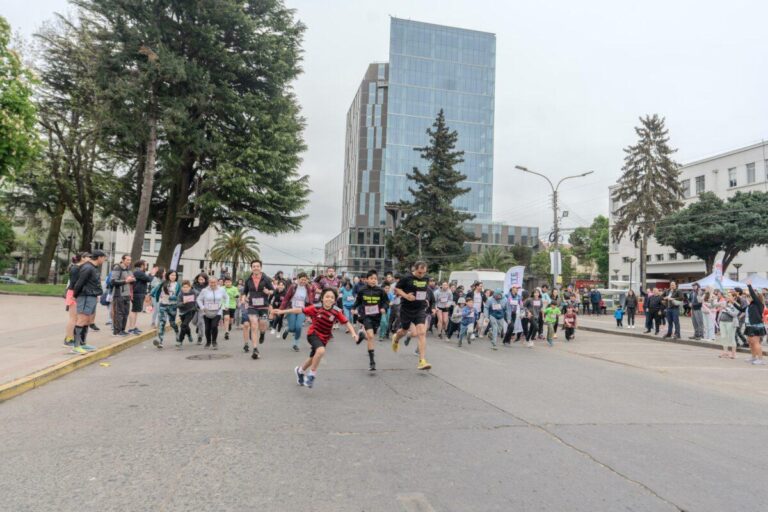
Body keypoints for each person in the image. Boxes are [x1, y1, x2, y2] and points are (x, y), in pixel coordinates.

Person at [272, 288, 357, 389]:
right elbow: (299, 310)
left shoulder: (337, 311)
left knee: (313, 358)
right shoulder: (316, 307)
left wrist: (354, 334)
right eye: (327, 297)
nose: (329, 299)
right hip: (313, 334)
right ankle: (311, 375)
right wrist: (282, 311)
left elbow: (347, 322)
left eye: (332, 298)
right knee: (321, 351)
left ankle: (300, 371)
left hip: (324, 337)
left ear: (334, 300)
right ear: (322, 298)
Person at [391, 261, 433, 370]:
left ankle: (422, 361)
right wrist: (406, 296)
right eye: (419, 272)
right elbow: (397, 289)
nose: (421, 275)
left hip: (420, 309)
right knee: (404, 331)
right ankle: (396, 338)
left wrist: (426, 299)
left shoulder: (425, 279)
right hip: (406, 309)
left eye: (423, 273)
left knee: (422, 333)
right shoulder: (407, 278)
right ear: (414, 269)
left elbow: (425, 290)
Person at [71, 250, 107, 354]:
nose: (104, 260)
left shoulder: (93, 267)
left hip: (91, 295)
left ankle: (83, 344)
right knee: (81, 319)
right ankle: (76, 346)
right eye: (104, 258)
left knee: (86, 320)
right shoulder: (87, 267)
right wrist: (74, 295)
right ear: (99, 257)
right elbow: (79, 282)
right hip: (85, 296)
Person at [352, 270, 389, 371]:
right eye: (371, 279)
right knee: (371, 336)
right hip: (366, 316)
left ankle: (362, 335)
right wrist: (353, 308)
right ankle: (372, 362)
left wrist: (384, 308)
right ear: (367, 279)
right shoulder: (362, 290)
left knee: (370, 336)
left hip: (376, 317)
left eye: (375, 279)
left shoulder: (380, 291)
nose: (373, 281)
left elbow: (386, 302)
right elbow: (358, 301)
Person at [241, 260, 274, 359]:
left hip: (263, 306)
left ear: (260, 267)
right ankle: (255, 348)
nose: (256, 268)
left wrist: (268, 291)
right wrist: (243, 298)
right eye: (254, 266)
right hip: (252, 306)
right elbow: (244, 292)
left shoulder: (266, 279)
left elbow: (273, 290)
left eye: (257, 266)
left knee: (262, 324)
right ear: (251, 268)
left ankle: (263, 333)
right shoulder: (248, 280)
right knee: (254, 325)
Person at [280, 272, 314, 351]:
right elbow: (286, 298)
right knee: (292, 328)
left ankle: (295, 344)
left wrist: (312, 311)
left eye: (305, 280)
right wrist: (281, 309)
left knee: (298, 327)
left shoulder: (308, 288)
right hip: (291, 309)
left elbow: (310, 300)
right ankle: (287, 329)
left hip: (302, 310)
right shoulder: (293, 287)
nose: (303, 281)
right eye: (302, 279)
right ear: (298, 279)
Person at [151, 270, 180, 349]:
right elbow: (154, 290)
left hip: (173, 306)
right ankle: (160, 341)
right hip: (163, 305)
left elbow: (179, 296)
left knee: (172, 323)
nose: (173, 277)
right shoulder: (163, 283)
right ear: (168, 275)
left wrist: (172, 297)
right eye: (171, 275)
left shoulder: (177, 285)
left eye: (174, 275)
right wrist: (153, 295)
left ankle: (178, 336)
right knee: (162, 323)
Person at [196, 276, 227, 350]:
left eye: (214, 282)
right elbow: (198, 299)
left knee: (214, 326)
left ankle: (214, 342)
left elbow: (227, 297)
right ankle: (208, 342)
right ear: (208, 282)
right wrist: (202, 307)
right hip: (206, 311)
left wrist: (225, 305)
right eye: (211, 282)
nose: (212, 284)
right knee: (207, 328)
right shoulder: (204, 290)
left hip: (217, 311)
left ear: (217, 282)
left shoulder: (221, 290)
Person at [64, 253, 86, 347]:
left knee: (76, 318)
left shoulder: (79, 268)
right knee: (73, 318)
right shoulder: (75, 268)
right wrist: (75, 295)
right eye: (88, 257)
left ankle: (71, 337)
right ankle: (68, 339)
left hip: (76, 294)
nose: (90, 258)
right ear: (82, 258)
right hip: (73, 293)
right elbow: (74, 284)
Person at [110, 254, 135, 336]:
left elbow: (132, 280)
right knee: (119, 313)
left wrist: (132, 280)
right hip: (119, 294)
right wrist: (125, 281)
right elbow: (113, 281)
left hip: (127, 294)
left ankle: (123, 330)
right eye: (127, 260)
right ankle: (117, 331)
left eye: (130, 260)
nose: (129, 261)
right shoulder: (117, 268)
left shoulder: (128, 269)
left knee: (125, 313)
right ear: (123, 260)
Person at [126, 260, 153, 335]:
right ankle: (131, 328)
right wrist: (151, 274)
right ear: (142, 265)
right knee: (134, 310)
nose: (146, 266)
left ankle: (133, 327)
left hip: (139, 293)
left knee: (136, 310)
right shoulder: (138, 272)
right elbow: (149, 279)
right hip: (137, 293)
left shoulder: (139, 272)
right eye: (146, 265)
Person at [743, 281, 765, 365]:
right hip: (750, 325)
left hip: (756, 326)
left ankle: (760, 359)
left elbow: (753, 294)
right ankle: (753, 357)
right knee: (750, 342)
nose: (749, 297)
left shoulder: (759, 303)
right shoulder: (752, 304)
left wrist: (749, 285)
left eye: (750, 296)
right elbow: (742, 309)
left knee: (756, 342)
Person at [717, 291, 739, 359]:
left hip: (731, 322)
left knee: (731, 338)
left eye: (729, 295)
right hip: (722, 322)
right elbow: (713, 305)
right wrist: (712, 298)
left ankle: (733, 354)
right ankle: (725, 352)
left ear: (734, 297)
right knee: (723, 337)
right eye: (727, 295)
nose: (727, 297)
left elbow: (735, 314)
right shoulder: (725, 302)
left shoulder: (736, 304)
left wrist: (726, 309)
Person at [176, 280, 197, 348]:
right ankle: (189, 334)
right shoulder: (180, 294)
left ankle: (180, 341)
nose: (185, 288)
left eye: (187, 287)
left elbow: (199, 298)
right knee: (186, 325)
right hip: (182, 312)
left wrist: (197, 306)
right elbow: (178, 304)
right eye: (184, 287)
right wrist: (183, 303)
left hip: (191, 310)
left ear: (190, 287)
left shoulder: (194, 292)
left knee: (183, 325)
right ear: (182, 288)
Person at [192, 273, 209, 343]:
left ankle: (200, 337)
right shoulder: (193, 286)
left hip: (202, 307)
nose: (200, 281)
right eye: (199, 279)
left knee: (201, 322)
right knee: (194, 321)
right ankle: (198, 327)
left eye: (202, 279)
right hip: (194, 307)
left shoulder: (208, 287)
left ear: (205, 280)